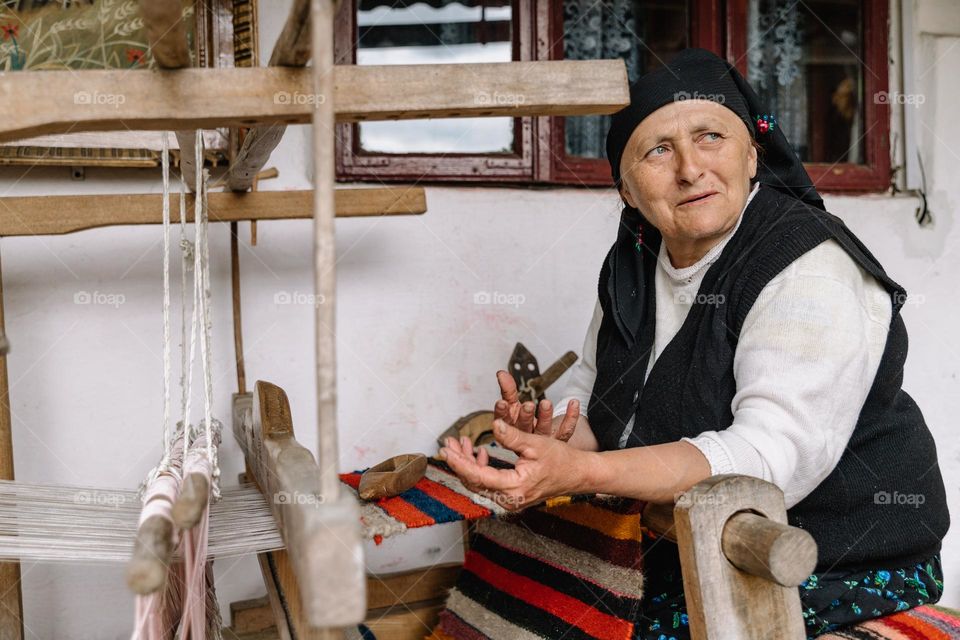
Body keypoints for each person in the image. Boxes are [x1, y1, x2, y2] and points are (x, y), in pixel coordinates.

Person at [439, 48, 949, 639]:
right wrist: (545, 438)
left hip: (834, 558)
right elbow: (599, 400)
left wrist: (579, 472)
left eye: (710, 137)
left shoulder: (809, 266)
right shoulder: (633, 262)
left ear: (753, 156)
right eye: (658, 150)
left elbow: (766, 461)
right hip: (678, 542)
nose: (689, 169)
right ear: (627, 190)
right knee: (533, 595)